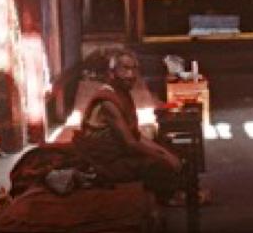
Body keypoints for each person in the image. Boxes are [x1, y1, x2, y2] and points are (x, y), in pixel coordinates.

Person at [73, 49, 184, 204]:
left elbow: (135, 135)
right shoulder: (108, 101)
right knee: (158, 165)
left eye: (133, 69)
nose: (130, 75)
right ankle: (168, 198)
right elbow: (130, 143)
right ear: (112, 73)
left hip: (121, 152)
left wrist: (164, 151)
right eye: (125, 69)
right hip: (106, 163)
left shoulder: (123, 93)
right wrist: (163, 157)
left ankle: (176, 189)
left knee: (166, 145)